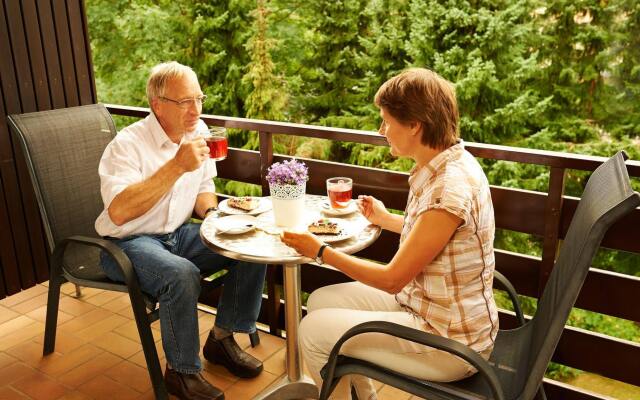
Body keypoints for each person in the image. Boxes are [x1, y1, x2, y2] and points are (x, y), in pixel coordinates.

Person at [281, 68, 499, 399]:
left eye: (386, 121)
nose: (382, 130)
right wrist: (388, 220)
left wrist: (320, 252)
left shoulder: (448, 188)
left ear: (414, 124)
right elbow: (438, 237)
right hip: (425, 303)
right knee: (321, 300)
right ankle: (365, 396)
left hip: (450, 341)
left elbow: (392, 279)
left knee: (311, 332)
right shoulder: (448, 163)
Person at [96, 61, 265, 400]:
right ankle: (182, 374)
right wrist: (176, 166)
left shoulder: (198, 130)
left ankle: (221, 339)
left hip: (179, 234)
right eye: (185, 101)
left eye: (199, 98)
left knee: (252, 243)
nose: (196, 109)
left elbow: (204, 186)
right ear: (157, 104)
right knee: (181, 274)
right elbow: (119, 211)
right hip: (127, 243)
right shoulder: (126, 146)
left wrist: (215, 216)